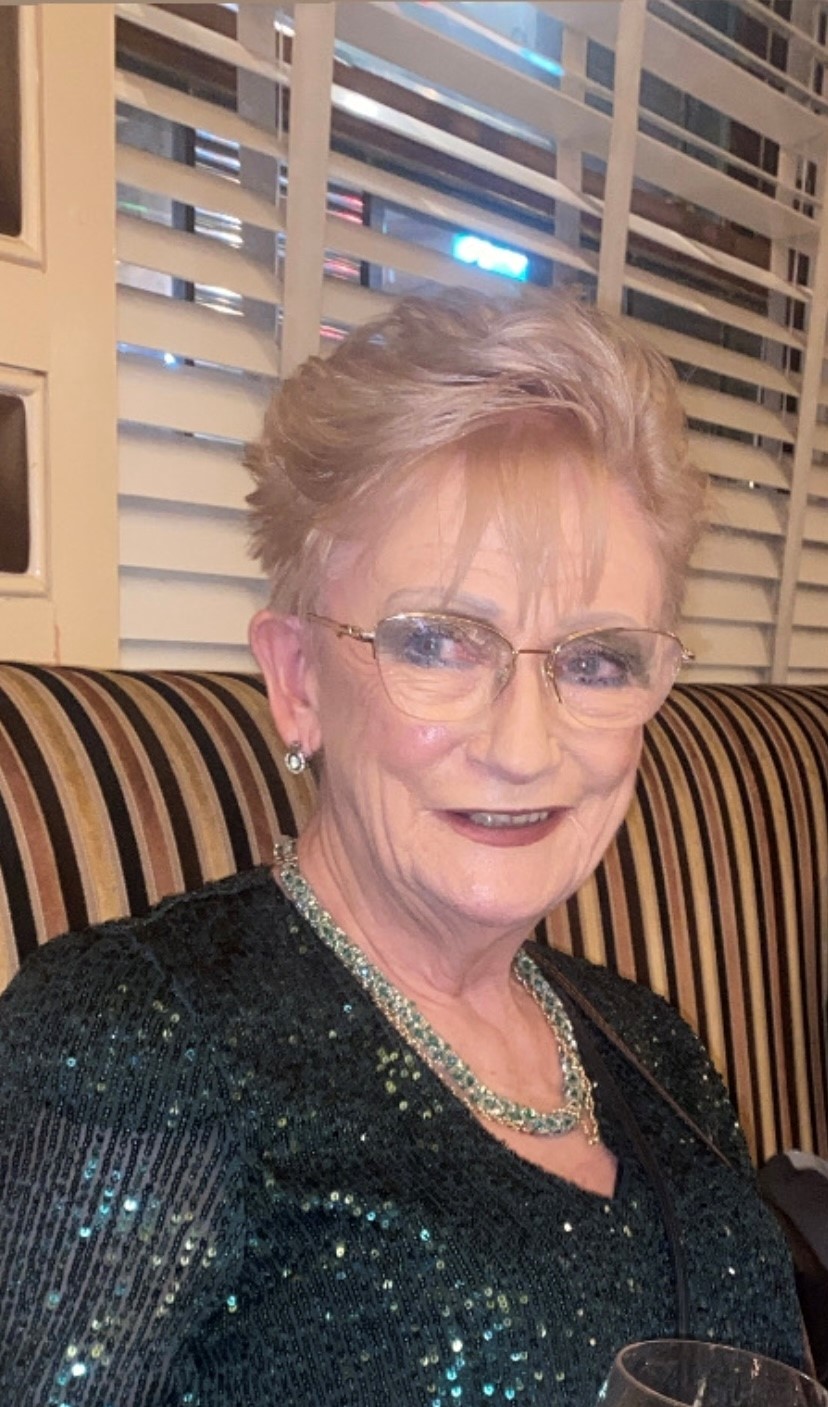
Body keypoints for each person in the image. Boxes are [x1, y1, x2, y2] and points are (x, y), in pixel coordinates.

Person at [0, 289, 806, 1405]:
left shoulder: (655, 1051)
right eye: (438, 643)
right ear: (297, 681)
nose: (525, 747)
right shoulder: (137, 1037)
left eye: (598, 661)